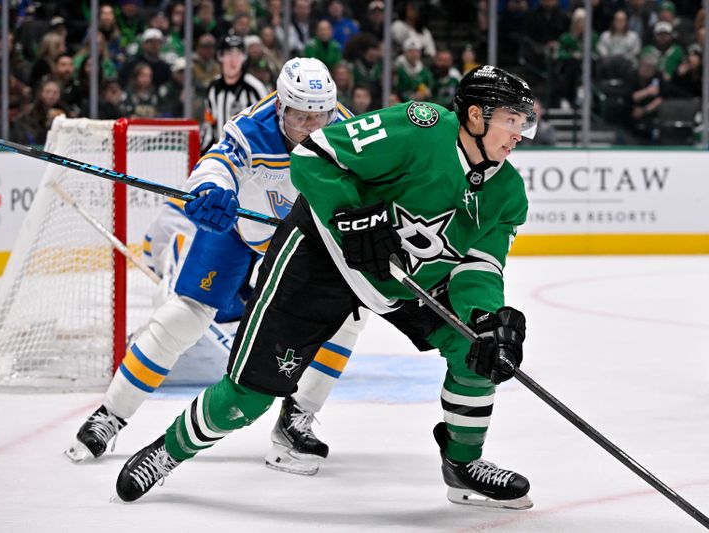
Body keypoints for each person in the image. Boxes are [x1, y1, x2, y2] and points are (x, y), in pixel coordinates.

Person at [115, 65, 537, 511]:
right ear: (475, 116)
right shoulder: (418, 127)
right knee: (250, 395)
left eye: (523, 121)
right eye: (512, 120)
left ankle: (463, 465)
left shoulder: (508, 193)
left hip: (401, 278)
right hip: (322, 256)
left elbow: (479, 267)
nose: (519, 133)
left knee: (478, 349)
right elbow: (312, 156)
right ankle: (168, 451)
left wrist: (485, 317)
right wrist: (351, 216)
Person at [67, 57, 363, 477]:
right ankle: (110, 415)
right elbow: (216, 163)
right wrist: (211, 191)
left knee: (349, 316)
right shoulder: (251, 128)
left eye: (321, 117)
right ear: (280, 106)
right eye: (299, 118)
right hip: (240, 230)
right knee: (181, 320)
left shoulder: (350, 134)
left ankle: (296, 419)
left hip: (305, 242)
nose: (311, 129)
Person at [200, 34, 269, 153]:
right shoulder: (213, 88)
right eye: (228, 54)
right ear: (220, 57)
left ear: (244, 57)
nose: (233, 61)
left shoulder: (255, 88)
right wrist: (203, 154)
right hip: (222, 156)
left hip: (252, 157)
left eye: (238, 54)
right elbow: (209, 125)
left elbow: (267, 126)